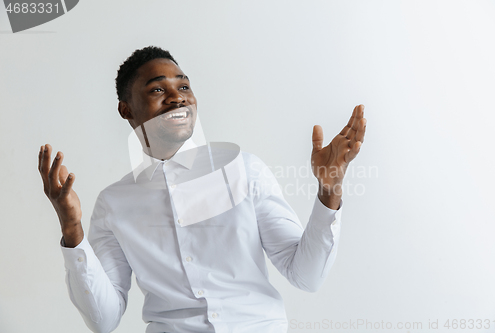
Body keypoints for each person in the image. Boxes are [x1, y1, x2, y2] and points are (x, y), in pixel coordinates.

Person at [38, 46, 367, 333]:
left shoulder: (244, 170)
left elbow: (305, 275)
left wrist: (329, 190)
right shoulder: (114, 204)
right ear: (126, 110)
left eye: (183, 86)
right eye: (157, 90)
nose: (177, 96)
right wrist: (72, 228)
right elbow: (103, 320)